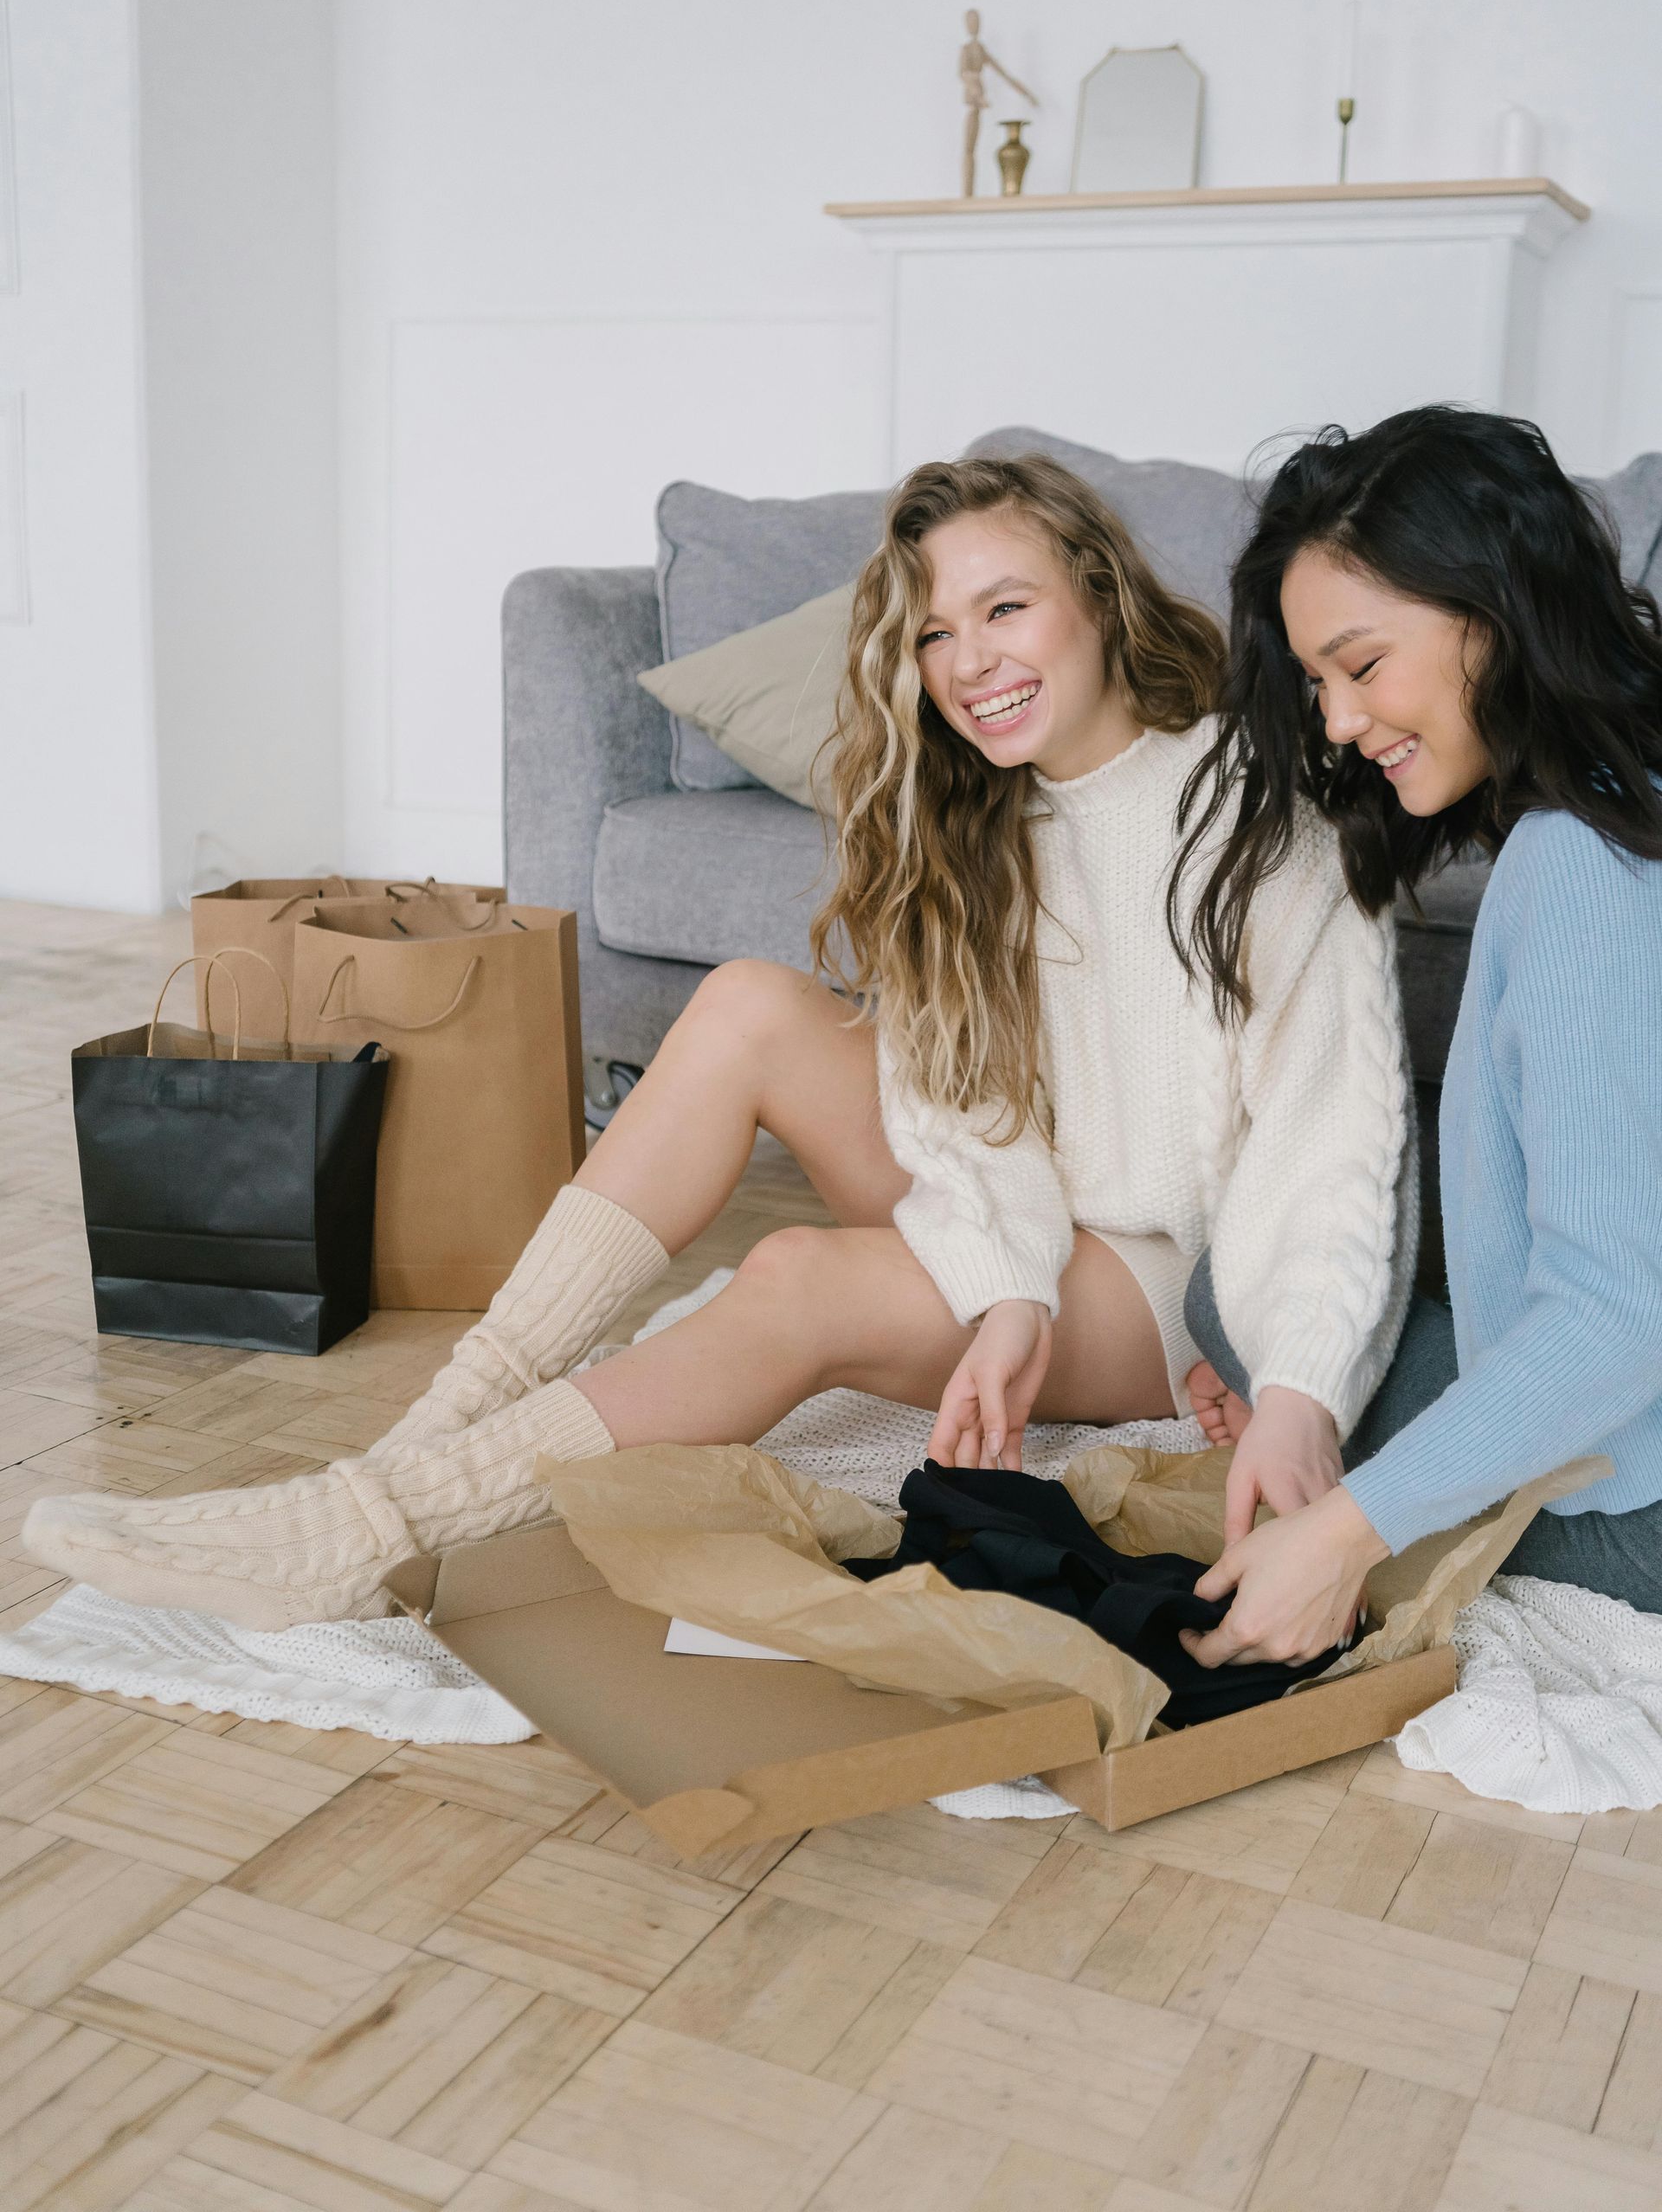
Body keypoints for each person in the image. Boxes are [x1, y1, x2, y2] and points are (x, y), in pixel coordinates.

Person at [27, 454, 1414, 1633]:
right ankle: (419, 1446)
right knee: (749, 1001)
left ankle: (371, 1529)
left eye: (1006, 608)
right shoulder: (975, 818)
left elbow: (1337, 1134)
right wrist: (1006, 1288)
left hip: (1179, 1282)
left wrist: (1294, 1371)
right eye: (935, 634)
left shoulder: (1255, 806)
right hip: (1041, 1228)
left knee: (798, 1278)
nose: (971, 662)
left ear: (1101, 602)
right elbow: (952, 1111)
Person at [1173, 405, 1662, 1675]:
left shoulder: (1575, 872)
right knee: (1304, 1312)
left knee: (1237, 1302)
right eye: (1318, 683)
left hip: (1641, 1522)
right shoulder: (1628, 810)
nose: (1336, 721)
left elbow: (1618, 1316)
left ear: (1486, 613)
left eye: (1361, 663)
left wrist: (1345, 1528)